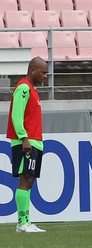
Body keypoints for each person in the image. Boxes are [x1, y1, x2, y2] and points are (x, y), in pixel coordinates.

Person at [7, 57, 48, 233]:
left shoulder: (32, 89)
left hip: (34, 141)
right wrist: (24, 138)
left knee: (29, 180)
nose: (45, 76)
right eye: (43, 72)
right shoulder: (23, 88)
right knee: (25, 179)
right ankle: (22, 224)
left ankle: (26, 222)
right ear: (33, 70)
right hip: (26, 141)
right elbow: (17, 115)